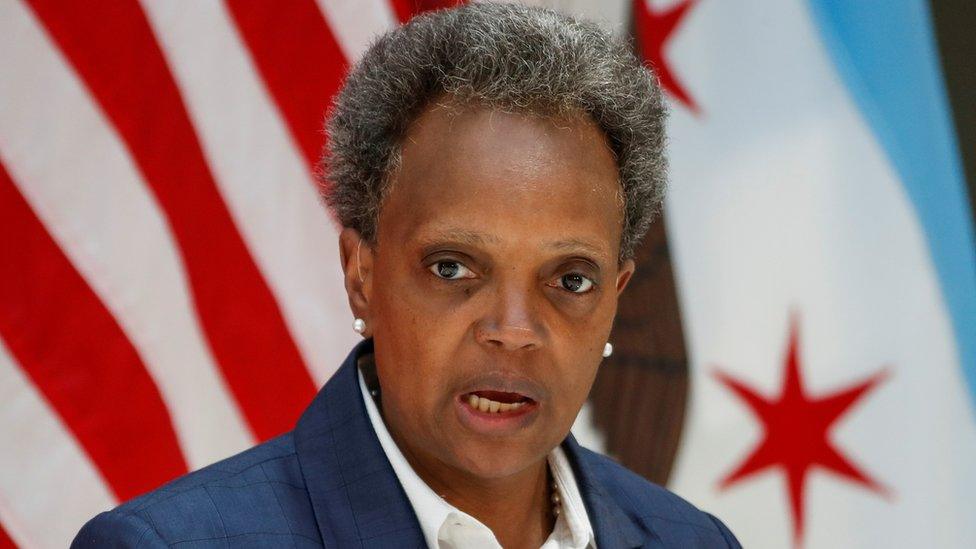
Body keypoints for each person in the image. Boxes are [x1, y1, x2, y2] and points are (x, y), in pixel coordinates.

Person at [72, 3, 740, 548]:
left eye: (570, 280)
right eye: (453, 268)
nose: (514, 330)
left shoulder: (696, 541)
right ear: (361, 274)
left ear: (615, 299)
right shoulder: (171, 543)